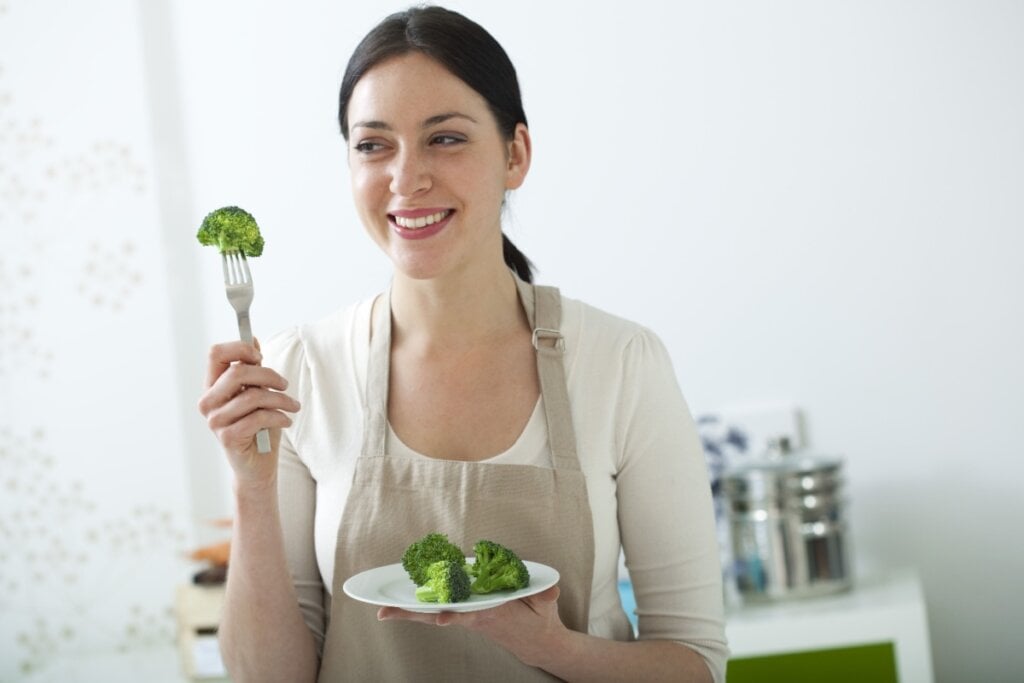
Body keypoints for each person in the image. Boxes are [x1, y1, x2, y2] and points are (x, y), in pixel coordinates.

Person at [198, 6, 728, 682]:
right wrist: (252, 486)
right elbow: (269, 677)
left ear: (515, 155)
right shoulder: (300, 369)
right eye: (373, 144)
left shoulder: (621, 363)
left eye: (444, 138)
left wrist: (552, 647)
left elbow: (695, 664)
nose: (405, 177)